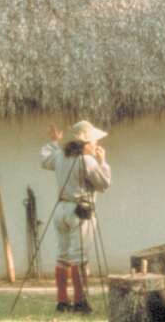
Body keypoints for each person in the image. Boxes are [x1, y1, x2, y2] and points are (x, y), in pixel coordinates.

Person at [41, 120, 111, 314]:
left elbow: (45, 159)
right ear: (87, 142)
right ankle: (80, 302)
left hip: (61, 209)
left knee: (63, 256)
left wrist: (55, 141)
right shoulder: (87, 161)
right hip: (80, 211)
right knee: (79, 257)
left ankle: (62, 301)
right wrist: (102, 162)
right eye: (95, 140)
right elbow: (104, 184)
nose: (97, 144)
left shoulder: (61, 156)